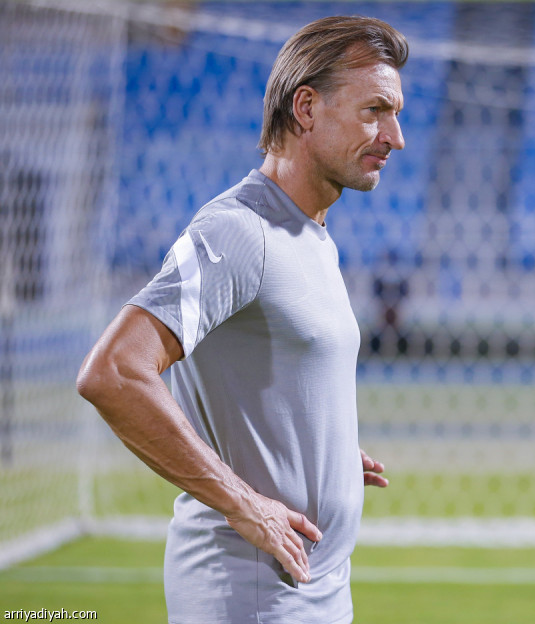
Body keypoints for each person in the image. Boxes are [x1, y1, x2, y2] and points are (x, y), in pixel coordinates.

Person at [76, 15, 407, 624]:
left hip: (317, 588)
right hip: (251, 595)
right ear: (305, 108)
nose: (396, 136)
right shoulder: (237, 231)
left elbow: (264, 374)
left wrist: (317, 447)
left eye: (396, 114)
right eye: (375, 111)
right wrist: (243, 502)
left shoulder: (311, 235)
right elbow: (114, 372)